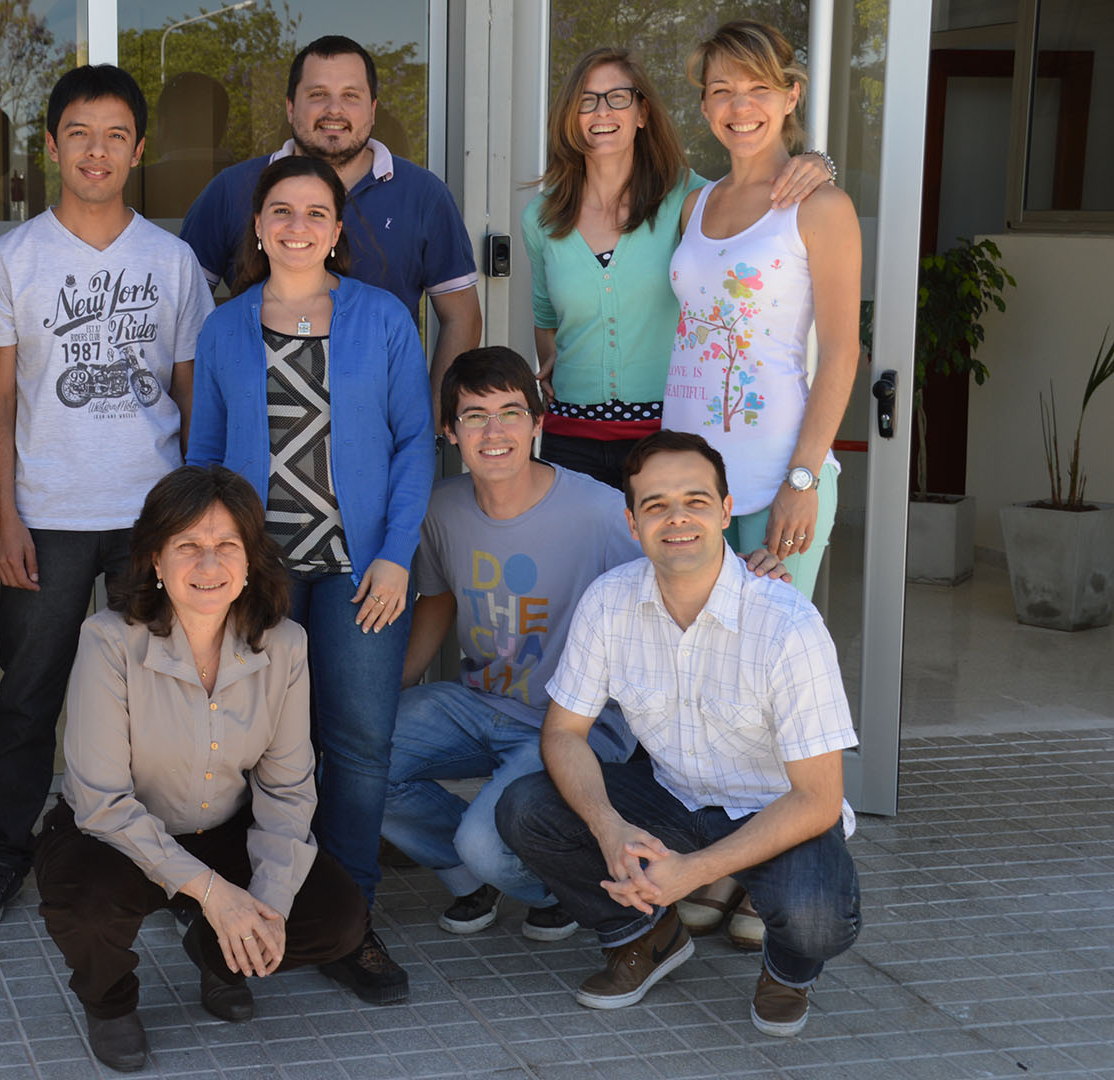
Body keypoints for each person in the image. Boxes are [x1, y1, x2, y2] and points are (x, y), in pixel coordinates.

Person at [381, 348, 789, 944]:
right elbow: (438, 601)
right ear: (449, 431)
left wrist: (751, 574)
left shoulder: (599, 511)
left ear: (539, 423)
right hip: (483, 703)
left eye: (511, 413)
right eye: (474, 416)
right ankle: (475, 875)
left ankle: (557, 881)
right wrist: (388, 688)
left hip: (580, 721)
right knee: (361, 756)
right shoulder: (440, 508)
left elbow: (680, 571)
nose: (495, 433)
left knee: (484, 837)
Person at [0, 64, 215, 936]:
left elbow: (191, 397)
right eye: (79, 133)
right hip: (50, 515)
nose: (96, 151)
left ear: (138, 150)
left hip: (152, 523)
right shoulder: (15, 259)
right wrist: (8, 514)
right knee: (28, 692)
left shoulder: (171, 260)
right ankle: (2, 855)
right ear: (53, 145)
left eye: (114, 135)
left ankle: (162, 862)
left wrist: (195, 525)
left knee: (158, 699)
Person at [495, 431, 862, 1038]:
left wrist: (692, 873)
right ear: (632, 521)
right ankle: (647, 937)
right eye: (656, 504)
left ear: (724, 510)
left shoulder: (786, 624)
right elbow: (563, 732)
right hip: (669, 794)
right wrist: (609, 829)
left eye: (695, 500)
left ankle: (790, 970)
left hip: (772, 809)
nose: (677, 518)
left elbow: (818, 799)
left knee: (818, 917)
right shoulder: (609, 601)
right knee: (526, 808)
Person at [187, 154, 433, 1004]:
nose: (297, 226)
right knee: (250, 752)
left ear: (337, 229)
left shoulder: (384, 318)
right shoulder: (223, 328)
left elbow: (413, 443)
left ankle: (351, 921)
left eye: (315, 212)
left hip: (362, 572)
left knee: (358, 748)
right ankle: (243, 918)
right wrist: (211, 570)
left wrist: (397, 554)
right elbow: (207, 460)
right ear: (258, 228)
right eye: (280, 211)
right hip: (258, 580)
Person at [36, 466, 365, 1073]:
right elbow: (102, 801)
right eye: (187, 546)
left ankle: (217, 956)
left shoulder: (285, 645)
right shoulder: (109, 641)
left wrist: (258, 905)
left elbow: (288, 789)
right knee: (85, 906)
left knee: (336, 920)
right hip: (117, 835)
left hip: (225, 830)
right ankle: (109, 1004)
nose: (208, 564)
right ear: (155, 561)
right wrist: (215, 894)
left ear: (249, 563)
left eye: (226, 547)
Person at [522, 47, 832, 489]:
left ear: (642, 112)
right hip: (570, 439)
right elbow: (545, 317)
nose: (601, 111)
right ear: (570, 117)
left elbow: (761, 205)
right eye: (586, 100)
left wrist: (818, 166)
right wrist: (560, 358)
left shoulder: (692, 199)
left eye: (617, 98)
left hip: (666, 438)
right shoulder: (541, 216)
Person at [664, 20, 860, 602]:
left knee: (772, 667)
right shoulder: (694, 204)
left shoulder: (821, 206)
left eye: (759, 88)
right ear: (703, 106)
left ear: (790, 95)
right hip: (691, 480)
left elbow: (842, 352)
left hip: (780, 473)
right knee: (695, 658)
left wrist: (802, 480)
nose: (740, 106)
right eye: (721, 89)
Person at [180, 35, 481, 398]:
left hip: (380, 436)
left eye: (350, 96)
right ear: (291, 107)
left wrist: (429, 423)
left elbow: (461, 319)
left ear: (372, 109)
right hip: (255, 430)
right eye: (318, 94)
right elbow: (183, 320)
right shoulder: (231, 191)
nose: (334, 110)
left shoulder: (424, 195)